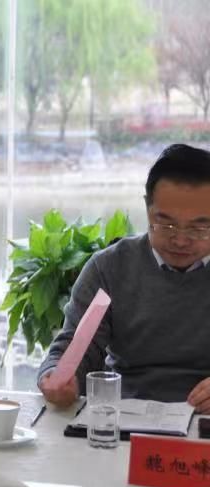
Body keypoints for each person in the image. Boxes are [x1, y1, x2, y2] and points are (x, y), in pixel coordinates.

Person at [38, 144, 210, 413]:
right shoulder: (109, 267)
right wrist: (56, 377)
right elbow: (75, 348)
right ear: (147, 209)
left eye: (199, 228)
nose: (180, 240)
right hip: (122, 415)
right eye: (165, 224)